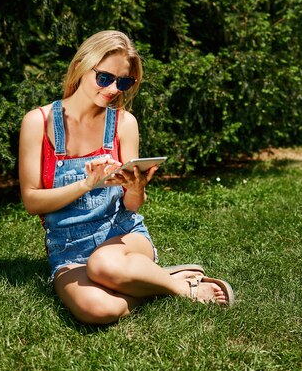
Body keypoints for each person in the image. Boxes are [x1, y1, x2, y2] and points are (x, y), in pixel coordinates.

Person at [18, 30, 234, 325]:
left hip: (122, 236)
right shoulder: (38, 122)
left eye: (124, 82)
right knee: (98, 310)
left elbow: (132, 206)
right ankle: (162, 278)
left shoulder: (123, 123)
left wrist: (136, 188)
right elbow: (32, 202)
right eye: (105, 78)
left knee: (104, 262)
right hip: (69, 249)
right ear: (82, 65)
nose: (113, 90)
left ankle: (182, 289)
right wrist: (85, 184)